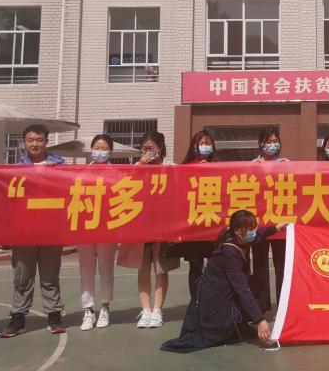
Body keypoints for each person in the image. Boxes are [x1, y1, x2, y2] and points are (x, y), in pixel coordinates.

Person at [160, 210, 280, 353]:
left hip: (222, 292)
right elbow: (241, 288)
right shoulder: (230, 252)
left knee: (255, 293)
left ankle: (235, 324)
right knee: (245, 299)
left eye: (254, 227)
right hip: (214, 299)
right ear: (238, 231)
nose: (253, 232)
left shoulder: (238, 237)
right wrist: (260, 319)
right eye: (250, 229)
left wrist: (276, 228)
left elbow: (257, 236)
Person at [1, 124, 67, 337]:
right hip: (25, 231)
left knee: (50, 276)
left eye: (39, 140)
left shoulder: (60, 166)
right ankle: (18, 317)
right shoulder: (16, 168)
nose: (35, 144)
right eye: (30, 140)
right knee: (22, 276)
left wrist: (56, 174)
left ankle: (54, 315)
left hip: (51, 230)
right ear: (24, 142)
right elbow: (7, 199)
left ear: (46, 141)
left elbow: (69, 191)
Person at [117, 131, 178, 329]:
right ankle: (145, 310)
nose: (148, 151)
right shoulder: (136, 168)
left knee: (161, 269)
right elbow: (124, 189)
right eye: (144, 148)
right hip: (140, 226)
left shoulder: (171, 168)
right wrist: (140, 168)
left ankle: (158, 310)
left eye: (152, 148)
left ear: (161, 147)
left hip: (164, 227)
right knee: (142, 269)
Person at [78, 134, 116, 331]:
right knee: (86, 268)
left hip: (107, 228)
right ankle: (88, 310)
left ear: (110, 151)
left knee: (106, 267)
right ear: (91, 149)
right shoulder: (81, 172)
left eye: (104, 148)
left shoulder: (116, 173)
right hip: (84, 227)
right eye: (97, 148)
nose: (100, 151)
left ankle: (105, 308)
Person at [250, 126, 289, 314]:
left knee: (281, 264)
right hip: (259, 222)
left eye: (275, 141)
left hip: (281, 222)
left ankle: (283, 304)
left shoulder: (286, 164)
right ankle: (261, 304)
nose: (272, 145)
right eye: (268, 141)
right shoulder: (252, 165)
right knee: (259, 263)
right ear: (260, 143)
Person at [178, 130, 218, 298]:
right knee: (195, 265)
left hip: (214, 223)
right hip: (194, 224)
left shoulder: (220, 166)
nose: (205, 146)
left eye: (208, 143)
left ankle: (212, 300)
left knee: (215, 264)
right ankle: (196, 301)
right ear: (194, 146)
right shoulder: (186, 168)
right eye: (201, 143)